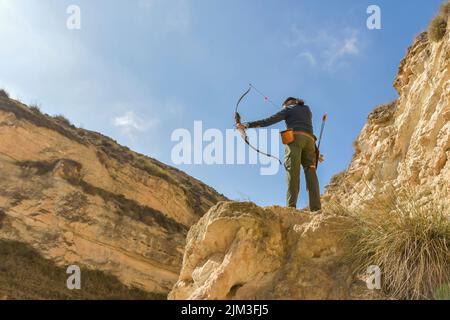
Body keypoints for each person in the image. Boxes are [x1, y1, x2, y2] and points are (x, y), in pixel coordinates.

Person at [236, 97, 322, 211]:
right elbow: (306, 130)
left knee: (292, 171)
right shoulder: (307, 109)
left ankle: (291, 207)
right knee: (311, 174)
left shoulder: (287, 110)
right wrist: (316, 152)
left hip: (295, 139)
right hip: (310, 142)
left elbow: (268, 120)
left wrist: (246, 125)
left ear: (286, 104)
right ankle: (316, 209)